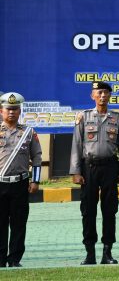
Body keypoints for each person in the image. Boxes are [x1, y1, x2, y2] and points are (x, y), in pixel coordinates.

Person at [69, 81, 119, 265]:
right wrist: (75, 171)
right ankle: (90, 253)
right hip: (89, 168)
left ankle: (107, 252)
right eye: (99, 92)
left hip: (110, 167)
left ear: (110, 95)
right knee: (88, 211)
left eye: (105, 92)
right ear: (92, 96)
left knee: (109, 210)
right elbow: (76, 145)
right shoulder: (83, 117)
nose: (102, 96)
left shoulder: (117, 118)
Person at [0, 92, 42, 268]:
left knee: (18, 223)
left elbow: (37, 157)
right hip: (0, 183)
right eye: (8, 109)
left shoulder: (28, 132)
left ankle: (15, 258)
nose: (11, 112)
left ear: (20, 111)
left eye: (15, 109)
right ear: (1, 111)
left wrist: (35, 181)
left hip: (20, 183)